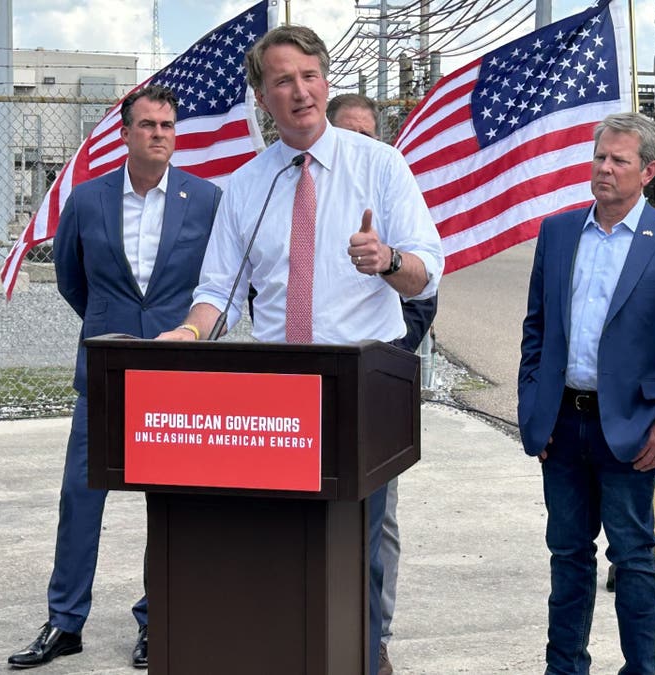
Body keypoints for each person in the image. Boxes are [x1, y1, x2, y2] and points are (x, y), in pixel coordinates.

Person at [157, 26, 444, 675]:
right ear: (262, 96)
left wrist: (388, 259)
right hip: (281, 396)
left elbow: (431, 269)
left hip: (364, 388)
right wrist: (192, 332)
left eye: (309, 75)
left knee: (358, 550)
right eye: (282, 80)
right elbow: (218, 291)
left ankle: (366, 659)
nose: (300, 90)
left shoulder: (378, 165)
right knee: (288, 550)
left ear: (325, 79)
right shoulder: (247, 184)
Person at [7, 85, 222, 670]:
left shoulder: (205, 200)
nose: (159, 134)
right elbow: (74, 282)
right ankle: (64, 621)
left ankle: (159, 618)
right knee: (81, 497)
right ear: (124, 132)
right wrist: (113, 326)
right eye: (147, 124)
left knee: (169, 503)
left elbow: (217, 287)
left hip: (178, 375)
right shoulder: (88, 199)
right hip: (106, 374)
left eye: (168, 126)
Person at [516, 112, 655, 674]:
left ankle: (640, 668)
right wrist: (533, 413)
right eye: (599, 157)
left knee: (634, 559)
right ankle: (564, 665)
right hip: (562, 427)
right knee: (568, 556)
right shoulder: (559, 231)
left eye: (619, 160)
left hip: (634, 431)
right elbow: (537, 329)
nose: (605, 169)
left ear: (648, 171)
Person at [324, 92, 438, 675]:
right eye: (347, 133)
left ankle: (376, 634)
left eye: (368, 135)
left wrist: (385, 357)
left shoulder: (391, 194)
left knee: (377, 518)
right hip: (311, 388)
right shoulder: (309, 195)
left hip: (377, 384)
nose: (357, 145)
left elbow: (423, 295)